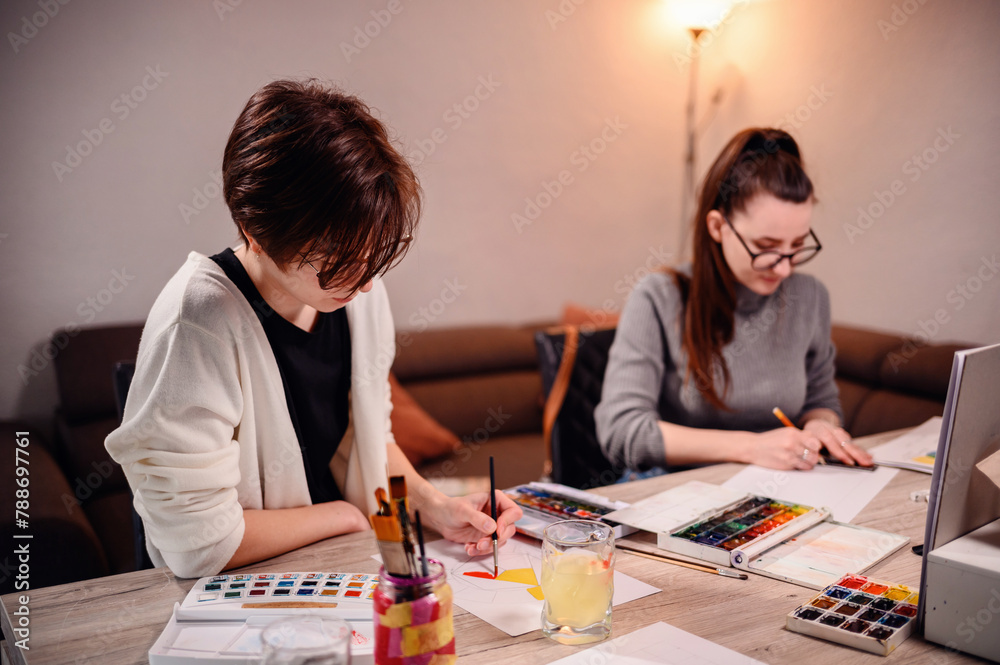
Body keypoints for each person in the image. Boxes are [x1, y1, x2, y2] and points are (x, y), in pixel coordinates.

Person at [106, 79, 521, 578]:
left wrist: (438, 507)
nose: (366, 283)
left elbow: (371, 442)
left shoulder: (357, 299)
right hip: (240, 595)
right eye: (340, 261)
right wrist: (342, 516)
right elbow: (196, 542)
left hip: (343, 570)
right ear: (256, 233)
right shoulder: (198, 322)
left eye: (376, 256)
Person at [595, 127, 873, 475]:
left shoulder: (810, 297)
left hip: (780, 486)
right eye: (767, 247)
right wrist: (751, 447)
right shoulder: (659, 296)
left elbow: (821, 400)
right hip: (677, 491)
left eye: (797, 245)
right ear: (717, 226)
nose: (784, 268)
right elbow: (622, 432)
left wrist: (820, 424)